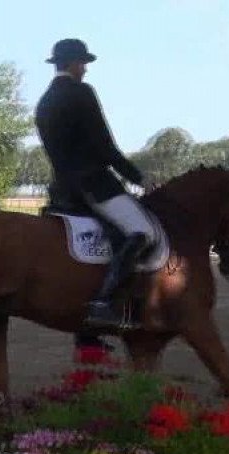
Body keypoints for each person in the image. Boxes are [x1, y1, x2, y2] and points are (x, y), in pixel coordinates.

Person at [36, 39, 158, 329]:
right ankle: (106, 302)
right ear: (74, 63)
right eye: (83, 63)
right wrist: (139, 178)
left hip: (62, 189)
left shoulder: (45, 101)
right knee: (143, 231)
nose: (86, 70)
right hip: (94, 185)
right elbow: (106, 148)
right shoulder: (81, 93)